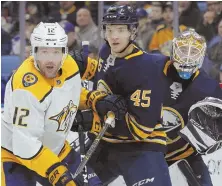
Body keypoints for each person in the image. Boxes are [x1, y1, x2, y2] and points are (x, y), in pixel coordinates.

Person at [73, 5, 172, 186]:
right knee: (67, 180)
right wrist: (85, 67)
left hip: (141, 147)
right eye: (110, 30)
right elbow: (107, 78)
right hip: (105, 144)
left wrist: (94, 118)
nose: (114, 36)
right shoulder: (105, 51)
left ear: (133, 32)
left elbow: (140, 129)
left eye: (120, 30)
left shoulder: (145, 69)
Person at [1, 22, 102, 186]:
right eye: (44, 51)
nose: (50, 59)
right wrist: (56, 172)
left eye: (56, 52)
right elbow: (25, 143)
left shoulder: (69, 64)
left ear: (64, 52)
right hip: (16, 155)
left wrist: (93, 98)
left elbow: (69, 92)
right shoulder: (26, 88)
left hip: (56, 149)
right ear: (34, 52)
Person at [161, 29, 222, 186]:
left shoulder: (208, 87)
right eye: (183, 50)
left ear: (202, 56)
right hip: (149, 152)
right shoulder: (156, 70)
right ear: (173, 51)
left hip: (185, 154)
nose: (187, 56)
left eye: (194, 52)